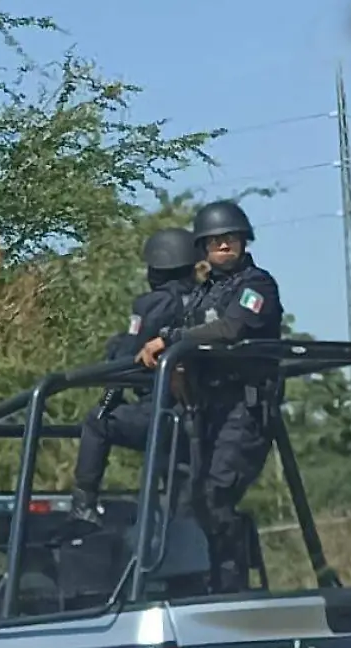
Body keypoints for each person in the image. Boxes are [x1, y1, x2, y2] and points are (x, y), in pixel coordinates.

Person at [134, 199, 286, 593]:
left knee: (215, 495)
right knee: (190, 501)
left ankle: (231, 588)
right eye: (214, 240)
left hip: (244, 410)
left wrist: (170, 340)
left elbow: (231, 330)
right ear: (202, 248)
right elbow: (187, 330)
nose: (223, 245)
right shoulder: (203, 294)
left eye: (230, 238)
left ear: (242, 240)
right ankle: (200, 584)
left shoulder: (257, 286)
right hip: (207, 409)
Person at [69, 226, 201, 520]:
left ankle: (83, 506)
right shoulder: (208, 302)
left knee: (96, 423)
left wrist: (109, 396)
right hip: (200, 416)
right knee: (180, 489)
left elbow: (128, 356)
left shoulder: (152, 303)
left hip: (161, 412)